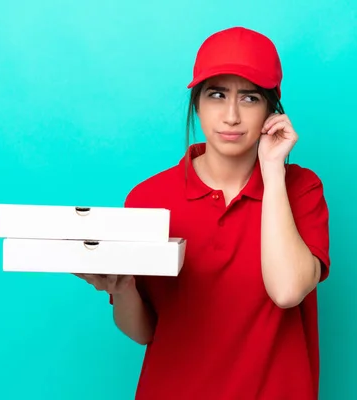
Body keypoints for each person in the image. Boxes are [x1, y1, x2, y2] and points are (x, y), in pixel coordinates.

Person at [76, 26, 331, 400]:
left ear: (271, 111)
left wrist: (273, 173)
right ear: (197, 103)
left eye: (249, 98)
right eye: (216, 95)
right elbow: (143, 331)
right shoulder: (149, 198)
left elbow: (287, 290)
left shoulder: (302, 189)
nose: (231, 115)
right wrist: (124, 287)